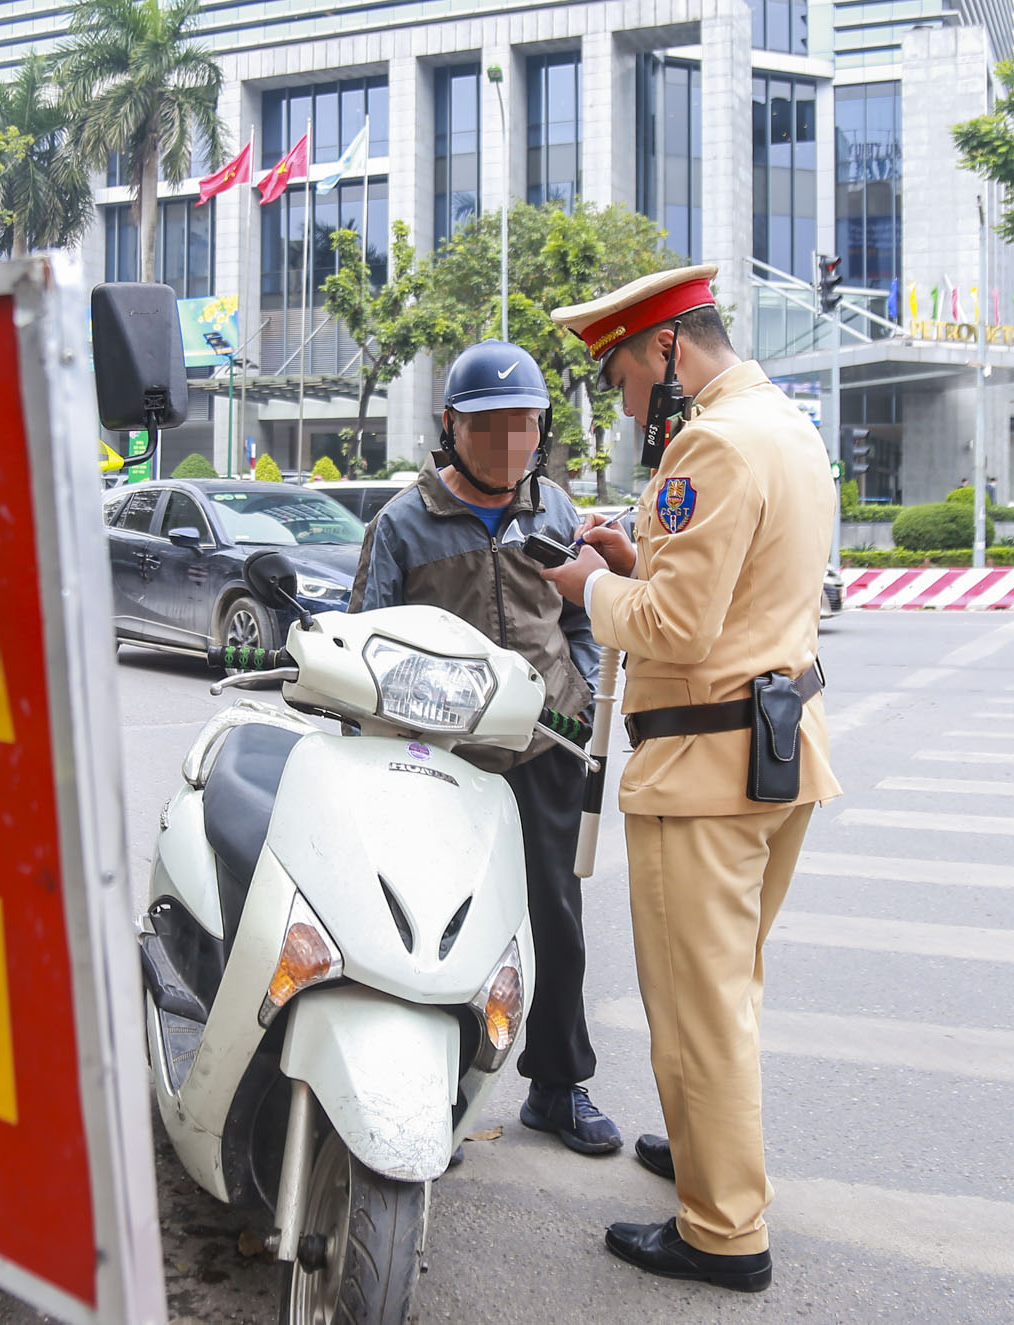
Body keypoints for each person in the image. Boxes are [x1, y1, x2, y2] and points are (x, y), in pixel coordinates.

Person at [543, 265, 839, 1293]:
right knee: (729, 989)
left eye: (622, 370)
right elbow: (739, 581)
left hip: (701, 766)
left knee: (697, 1004)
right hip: (771, 749)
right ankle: (704, 1147)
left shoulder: (707, 442)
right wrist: (637, 556)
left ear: (668, 347)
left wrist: (594, 582)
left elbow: (675, 621)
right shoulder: (783, 425)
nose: (622, 397)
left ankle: (722, 1231)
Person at [351, 339, 621, 1159]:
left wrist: (576, 694)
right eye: (490, 426)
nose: (510, 443)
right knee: (431, 926)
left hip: (543, 747)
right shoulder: (403, 523)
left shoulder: (559, 514)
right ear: (450, 427)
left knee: (555, 919)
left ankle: (558, 1084)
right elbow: (366, 638)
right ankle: (436, 1092)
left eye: (526, 425)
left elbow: (583, 625)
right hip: (442, 763)